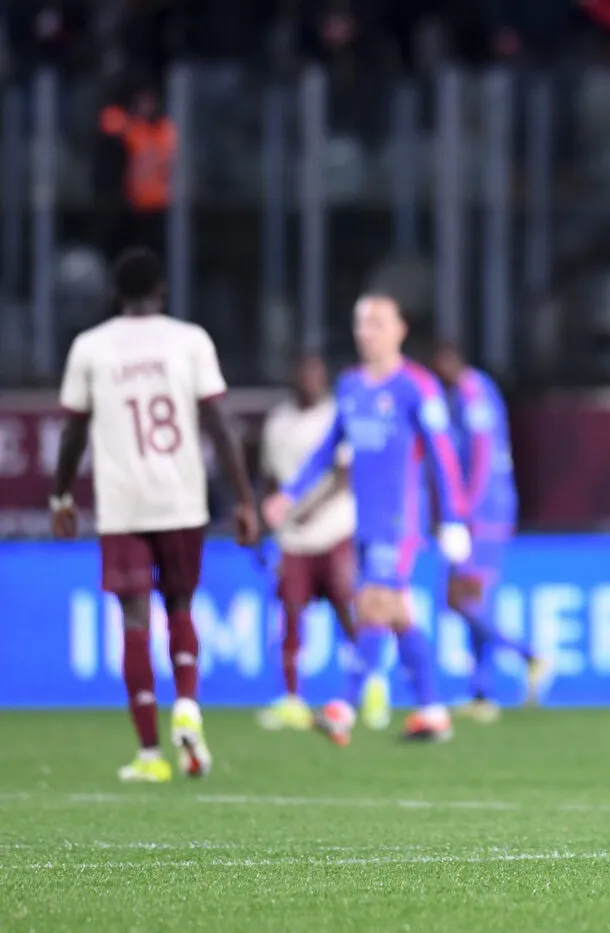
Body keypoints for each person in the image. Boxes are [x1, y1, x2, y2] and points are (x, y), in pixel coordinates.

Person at [51, 247, 258, 783]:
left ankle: (149, 755)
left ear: (115, 296)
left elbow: (73, 430)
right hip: (181, 499)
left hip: (123, 505)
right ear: (162, 292)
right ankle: (187, 704)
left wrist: (61, 496)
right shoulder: (189, 341)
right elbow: (218, 422)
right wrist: (243, 498)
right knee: (182, 605)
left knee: (136, 620)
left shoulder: (91, 348)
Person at [262, 295, 471, 745]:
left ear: (400, 329)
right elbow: (327, 449)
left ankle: (343, 706)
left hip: (402, 520)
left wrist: (453, 519)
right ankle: (433, 711)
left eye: (376, 322)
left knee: (373, 605)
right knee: (398, 615)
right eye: (360, 323)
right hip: (365, 519)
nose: (366, 331)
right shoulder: (352, 386)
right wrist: (289, 494)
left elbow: (442, 455)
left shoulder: (418, 386)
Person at [429, 342, 550, 724]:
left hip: (484, 509)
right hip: (484, 507)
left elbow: (481, 453)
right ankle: (482, 692)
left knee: (459, 598)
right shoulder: (470, 391)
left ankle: (530, 655)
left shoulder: (472, 391)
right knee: (471, 598)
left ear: (450, 359)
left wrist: (465, 507)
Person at [256, 353, 360, 732]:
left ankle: (369, 686)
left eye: (316, 375)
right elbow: (269, 478)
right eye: (304, 375)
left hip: (333, 530)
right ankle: (292, 698)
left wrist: (308, 509)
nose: (310, 382)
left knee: (347, 609)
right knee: (291, 612)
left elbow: (343, 475)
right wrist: (269, 521)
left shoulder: (336, 415)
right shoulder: (278, 421)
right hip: (292, 537)